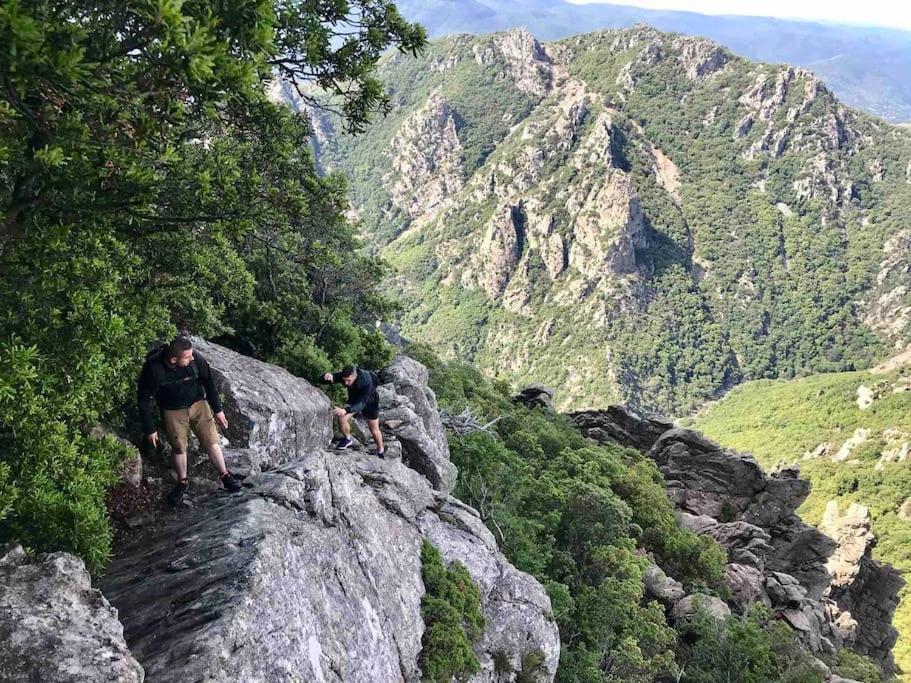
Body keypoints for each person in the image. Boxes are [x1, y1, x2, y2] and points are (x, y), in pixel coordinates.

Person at [137, 336, 242, 505]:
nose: (192, 358)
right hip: (172, 409)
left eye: (191, 355)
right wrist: (149, 428)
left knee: (211, 439)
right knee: (179, 447)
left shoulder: (196, 360)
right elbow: (143, 398)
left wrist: (218, 410)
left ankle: (225, 475)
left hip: (197, 403)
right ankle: (182, 482)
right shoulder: (153, 368)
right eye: (187, 357)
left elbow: (209, 383)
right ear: (173, 359)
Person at [320, 365, 385, 458]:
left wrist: (345, 410)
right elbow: (325, 379)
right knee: (342, 417)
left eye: (348, 380)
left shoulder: (366, 381)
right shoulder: (345, 376)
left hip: (370, 403)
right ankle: (347, 439)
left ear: (355, 376)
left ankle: (380, 451)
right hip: (354, 400)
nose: (346, 383)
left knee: (374, 430)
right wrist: (325, 376)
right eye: (344, 380)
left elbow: (361, 404)